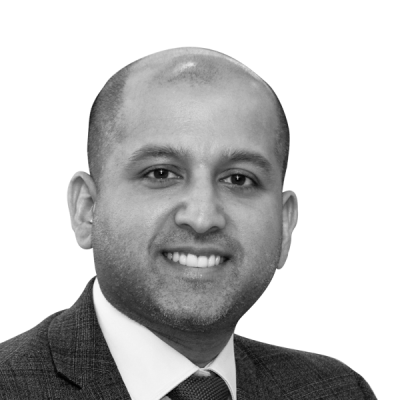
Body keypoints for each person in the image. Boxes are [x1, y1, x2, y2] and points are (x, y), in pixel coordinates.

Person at [0, 47, 375, 399]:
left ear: (285, 224)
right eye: (161, 173)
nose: (202, 217)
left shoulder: (337, 390)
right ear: (86, 209)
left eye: (239, 179)